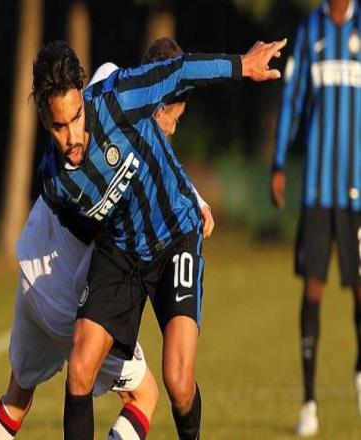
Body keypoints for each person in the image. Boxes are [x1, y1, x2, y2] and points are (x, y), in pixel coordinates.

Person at [35, 38, 285, 439]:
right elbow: (73, 220)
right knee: (79, 369)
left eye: (76, 117)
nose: (72, 136)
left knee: (178, 383)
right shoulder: (53, 180)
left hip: (175, 236)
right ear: (44, 121)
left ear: (82, 96)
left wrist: (243, 64)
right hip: (121, 251)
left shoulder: (119, 99)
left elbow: (180, 71)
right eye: (59, 127)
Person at [0, 53, 214, 440]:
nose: (169, 131)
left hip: (29, 274)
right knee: (145, 395)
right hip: (65, 293)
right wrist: (196, 201)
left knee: (17, 396)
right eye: (171, 120)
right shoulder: (116, 103)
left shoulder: (62, 152)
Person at [270, 0, 360, 436]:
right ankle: (309, 402)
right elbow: (292, 98)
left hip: (359, 191)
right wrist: (278, 161)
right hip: (318, 191)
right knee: (312, 290)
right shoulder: (310, 31)